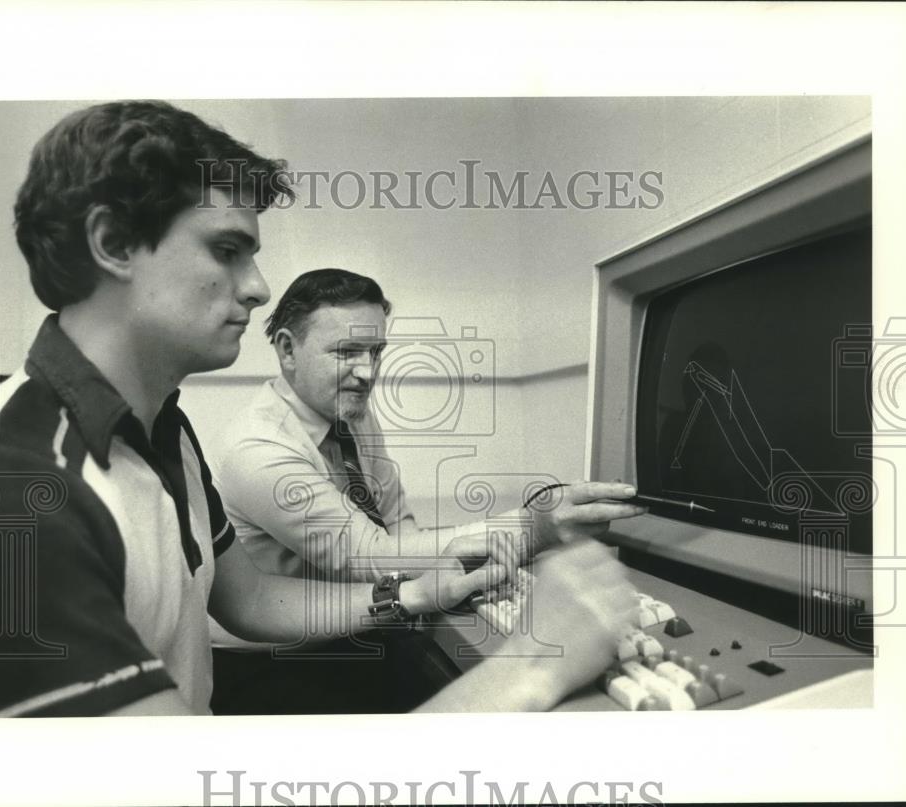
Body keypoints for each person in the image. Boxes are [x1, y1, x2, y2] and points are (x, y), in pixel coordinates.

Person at [0, 100, 633, 718]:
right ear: (113, 243)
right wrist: (534, 664)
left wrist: (410, 595)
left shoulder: (164, 430)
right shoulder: (15, 484)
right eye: (227, 250)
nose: (258, 288)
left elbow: (250, 597)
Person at [208, 268, 646, 712]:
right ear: (287, 349)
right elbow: (367, 555)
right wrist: (534, 527)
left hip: (358, 627)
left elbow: (396, 519)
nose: (367, 372)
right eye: (348, 352)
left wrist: (460, 571)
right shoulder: (257, 447)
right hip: (277, 665)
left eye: (376, 351)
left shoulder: (349, 411)